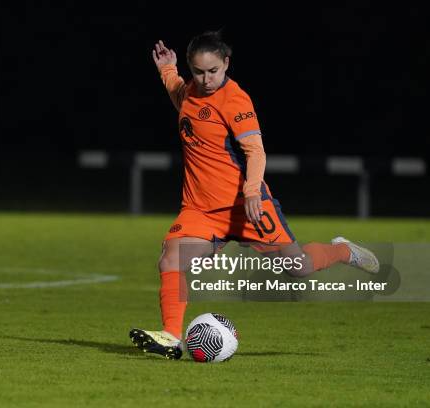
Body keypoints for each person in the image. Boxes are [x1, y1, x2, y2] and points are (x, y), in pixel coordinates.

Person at [129, 32, 380, 360]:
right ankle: (172, 337)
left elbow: (256, 151)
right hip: (201, 210)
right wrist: (168, 71)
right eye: (199, 71)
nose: (206, 79)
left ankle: (344, 251)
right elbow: (182, 98)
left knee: (299, 267)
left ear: (227, 64)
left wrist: (250, 192)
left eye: (213, 71)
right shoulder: (190, 90)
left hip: (248, 207)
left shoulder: (236, 100)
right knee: (171, 260)